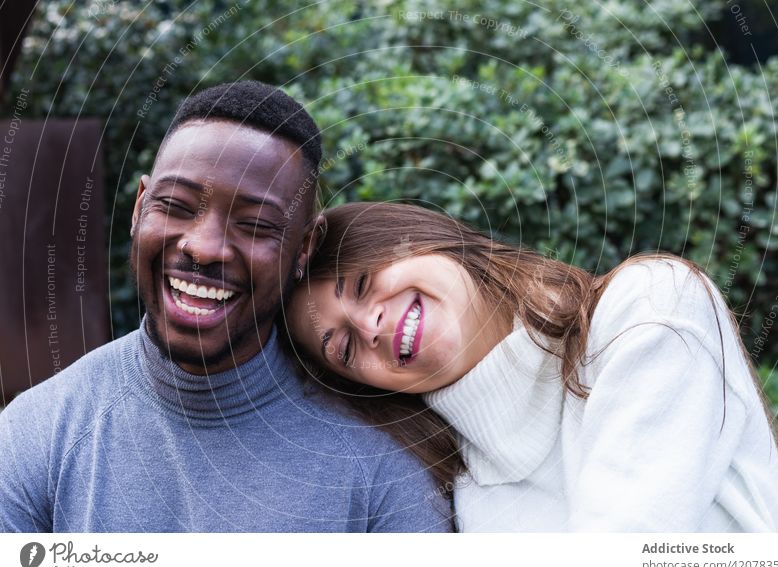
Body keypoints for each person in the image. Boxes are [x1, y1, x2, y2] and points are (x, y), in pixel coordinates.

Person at [0, 82, 451, 532]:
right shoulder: (36, 434)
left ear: (304, 248)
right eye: (174, 205)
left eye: (255, 225)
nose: (204, 246)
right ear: (140, 207)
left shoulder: (381, 472)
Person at [284, 201, 778, 532]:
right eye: (345, 349)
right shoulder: (460, 500)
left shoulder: (649, 308)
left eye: (360, 282)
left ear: (421, 238)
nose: (369, 325)